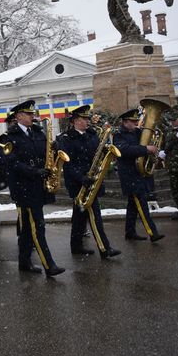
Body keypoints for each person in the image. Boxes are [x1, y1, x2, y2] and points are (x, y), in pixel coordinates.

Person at [4, 101, 66, 277]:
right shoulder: (10, 137)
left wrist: (54, 150)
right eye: (28, 114)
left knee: (27, 229)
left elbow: (45, 154)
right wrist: (35, 171)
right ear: (18, 117)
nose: (33, 116)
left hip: (38, 186)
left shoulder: (38, 133)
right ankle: (49, 265)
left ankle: (24, 262)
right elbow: (13, 164)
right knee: (37, 226)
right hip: (24, 188)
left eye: (32, 114)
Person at [57, 105, 121, 259]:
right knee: (94, 215)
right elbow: (68, 164)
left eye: (87, 118)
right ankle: (104, 248)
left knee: (80, 215)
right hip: (79, 182)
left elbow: (96, 155)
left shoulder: (92, 135)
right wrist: (82, 178)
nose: (87, 121)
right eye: (84, 119)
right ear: (76, 121)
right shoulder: (65, 139)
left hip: (92, 179)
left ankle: (76, 246)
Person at [113, 108, 165, 242]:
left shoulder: (138, 132)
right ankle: (152, 232)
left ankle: (129, 232)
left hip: (139, 173)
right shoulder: (118, 135)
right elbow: (124, 150)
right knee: (141, 203)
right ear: (125, 122)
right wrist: (145, 149)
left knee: (133, 205)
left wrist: (153, 144)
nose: (136, 123)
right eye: (133, 121)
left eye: (136, 120)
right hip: (129, 174)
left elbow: (149, 143)